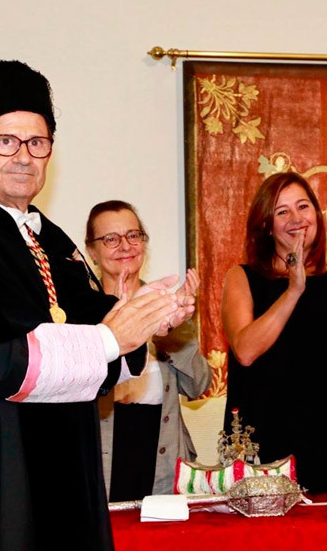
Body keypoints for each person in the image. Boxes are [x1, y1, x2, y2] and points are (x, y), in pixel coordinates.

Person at [0, 60, 191, 551]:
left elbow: (99, 330)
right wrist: (114, 335)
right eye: (6, 141)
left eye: (37, 143)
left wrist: (148, 313)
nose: (24, 156)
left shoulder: (48, 237)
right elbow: (4, 359)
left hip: (59, 468)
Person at [221, 171, 327, 494]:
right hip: (266, 442)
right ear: (266, 225)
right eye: (282, 212)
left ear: (317, 216)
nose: (296, 219)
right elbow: (245, 352)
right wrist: (293, 290)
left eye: (303, 207)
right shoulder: (241, 277)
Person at [85, 200, 209, 500]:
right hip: (99, 464)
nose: (124, 246)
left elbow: (197, 385)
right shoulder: (80, 311)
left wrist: (171, 327)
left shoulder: (166, 303)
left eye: (133, 235)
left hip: (163, 466)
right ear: (92, 252)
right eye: (111, 239)